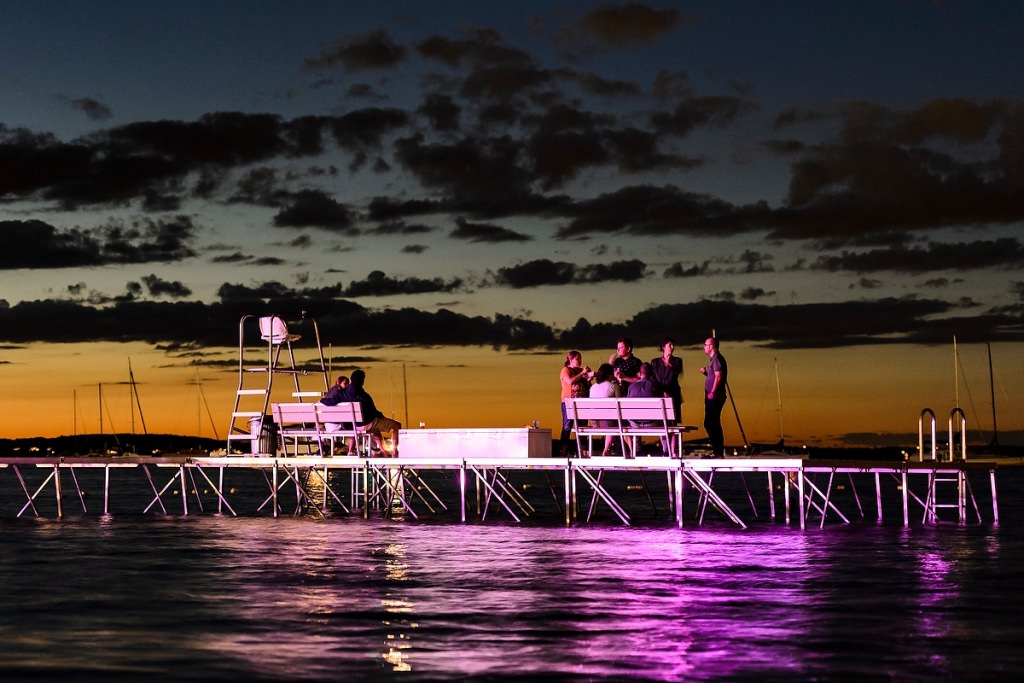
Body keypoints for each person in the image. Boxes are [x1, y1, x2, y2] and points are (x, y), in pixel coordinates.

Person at [341, 368, 402, 456]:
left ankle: (384, 451)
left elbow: (329, 400)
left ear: (351, 379)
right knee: (397, 425)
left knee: (375, 428)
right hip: (367, 424)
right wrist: (381, 416)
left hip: (355, 426)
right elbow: (373, 411)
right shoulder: (363, 395)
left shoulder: (343, 393)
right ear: (362, 381)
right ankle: (394, 453)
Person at [559, 351, 593, 456]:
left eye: (580, 359)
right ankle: (563, 450)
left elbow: (587, 386)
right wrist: (582, 373)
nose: (580, 361)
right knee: (567, 426)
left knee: (582, 427)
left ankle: (582, 451)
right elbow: (569, 381)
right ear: (571, 359)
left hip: (582, 403)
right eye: (577, 359)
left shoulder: (580, 371)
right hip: (569, 402)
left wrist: (589, 378)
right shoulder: (566, 370)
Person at [700, 337, 728, 458]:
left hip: (715, 397)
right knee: (712, 422)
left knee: (711, 423)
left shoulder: (717, 359)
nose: (704, 347)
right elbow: (714, 375)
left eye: (706, 345)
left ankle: (718, 451)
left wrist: (712, 391)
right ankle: (717, 451)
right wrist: (706, 373)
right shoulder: (714, 360)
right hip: (713, 396)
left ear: (711, 346)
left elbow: (719, 376)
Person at [650, 337, 683, 424]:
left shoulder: (677, 361)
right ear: (663, 347)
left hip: (673, 393)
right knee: (661, 421)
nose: (672, 347)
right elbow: (653, 379)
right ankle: (664, 438)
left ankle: (674, 437)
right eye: (670, 345)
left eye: (673, 345)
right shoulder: (655, 362)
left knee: (673, 421)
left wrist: (670, 365)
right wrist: (662, 390)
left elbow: (677, 372)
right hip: (660, 393)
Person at [589, 363, 619, 456]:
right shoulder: (613, 386)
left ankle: (607, 449)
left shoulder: (593, 387)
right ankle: (607, 449)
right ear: (609, 374)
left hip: (594, 422)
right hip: (607, 422)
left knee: (610, 420)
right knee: (620, 423)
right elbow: (620, 404)